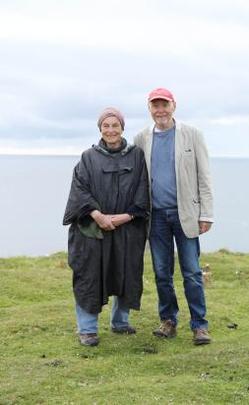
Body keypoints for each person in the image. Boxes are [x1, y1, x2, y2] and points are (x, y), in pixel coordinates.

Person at [134, 88, 214, 345]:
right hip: (155, 216)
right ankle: (168, 320)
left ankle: (200, 325)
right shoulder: (141, 138)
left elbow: (204, 176)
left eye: (164, 105)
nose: (160, 110)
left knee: (191, 271)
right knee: (161, 272)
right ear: (149, 108)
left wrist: (207, 214)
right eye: (155, 105)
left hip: (186, 214)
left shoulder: (192, 135)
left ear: (173, 106)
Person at [63, 107, 149, 347]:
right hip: (93, 230)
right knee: (89, 275)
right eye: (106, 126)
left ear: (122, 128)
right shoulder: (88, 157)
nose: (111, 130)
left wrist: (123, 217)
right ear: (100, 128)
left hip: (127, 228)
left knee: (125, 272)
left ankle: (120, 322)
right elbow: (79, 190)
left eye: (115, 125)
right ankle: (87, 329)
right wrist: (99, 216)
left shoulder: (136, 156)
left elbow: (142, 193)